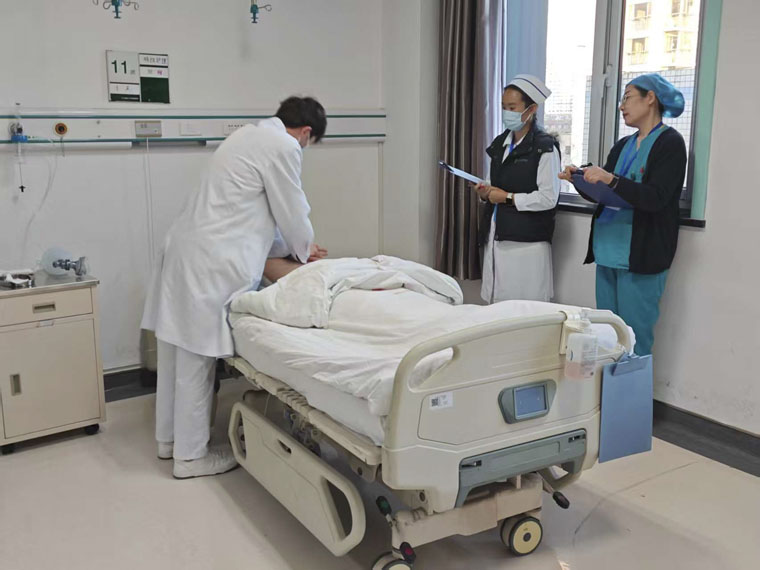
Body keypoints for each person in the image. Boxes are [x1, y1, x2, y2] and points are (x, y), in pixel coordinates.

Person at [141, 96, 328, 478]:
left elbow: (251, 213)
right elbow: (293, 213)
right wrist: (303, 251)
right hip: (209, 261)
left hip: (185, 249)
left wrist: (293, 248)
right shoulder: (283, 145)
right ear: (306, 132)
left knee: (175, 352)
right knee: (196, 358)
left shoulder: (245, 136)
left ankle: (169, 442)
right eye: (309, 142)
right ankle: (190, 458)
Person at [559, 73, 687, 356]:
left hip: (641, 256)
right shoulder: (622, 146)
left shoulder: (670, 143)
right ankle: (607, 387)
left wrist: (610, 179)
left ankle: (634, 387)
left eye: (627, 97)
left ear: (650, 98)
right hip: (608, 250)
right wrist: (580, 179)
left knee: (635, 337)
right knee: (607, 335)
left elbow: (656, 197)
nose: (621, 106)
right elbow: (604, 193)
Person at [474, 74, 561, 304]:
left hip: (527, 243)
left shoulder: (545, 148)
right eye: (504, 107)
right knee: (498, 304)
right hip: (497, 233)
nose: (507, 113)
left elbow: (548, 198)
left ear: (531, 109)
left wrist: (508, 197)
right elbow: (493, 183)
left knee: (525, 306)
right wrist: (485, 193)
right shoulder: (500, 144)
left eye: (512, 107)